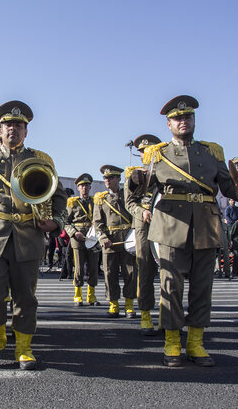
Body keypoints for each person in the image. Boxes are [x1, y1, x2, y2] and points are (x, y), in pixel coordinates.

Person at [131, 95, 238, 367]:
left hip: (206, 225)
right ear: (168, 124)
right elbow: (143, 189)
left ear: (194, 120)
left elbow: (229, 188)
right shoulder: (157, 153)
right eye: (177, 118)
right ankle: (172, 341)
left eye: (187, 117)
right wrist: (135, 180)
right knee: (171, 287)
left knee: (202, 287)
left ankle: (196, 343)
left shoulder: (213, 152)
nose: (183, 121)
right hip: (170, 225)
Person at [0, 100, 67, 370]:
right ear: (0, 129)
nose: (13, 130)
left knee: (25, 296)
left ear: (26, 131)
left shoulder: (41, 160)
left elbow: (59, 197)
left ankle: (24, 346)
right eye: (8, 125)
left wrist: (56, 221)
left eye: (19, 125)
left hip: (28, 236)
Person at [124, 134, 161, 335]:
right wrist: (142, 211)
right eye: (141, 151)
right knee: (145, 270)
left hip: (165, 224)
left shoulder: (166, 170)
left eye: (148, 150)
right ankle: (146, 314)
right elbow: (130, 203)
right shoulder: (134, 174)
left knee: (168, 272)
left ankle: (167, 315)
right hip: (143, 226)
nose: (144, 154)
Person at [93, 165, 136, 318]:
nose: (107, 180)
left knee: (130, 272)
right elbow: (97, 223)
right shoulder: (100, 199)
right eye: (105, 178)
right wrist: (103, 238)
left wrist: (134, 236)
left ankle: (129, 305)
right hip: (110, 240)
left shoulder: (128, 195)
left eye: (111, 177)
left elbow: (135, 216)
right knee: (109, 273)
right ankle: (114, 304)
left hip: (127, 239)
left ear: (118, 179)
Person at [65, 173, 101, 306]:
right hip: (78, 239)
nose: (84, 188)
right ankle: (77, 295)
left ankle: (91, 296)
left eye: (86, 185)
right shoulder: (72, 203)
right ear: (78, 188)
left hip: (93, 237)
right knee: (79, 268)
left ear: (90, 187)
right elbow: (66, 222)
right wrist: (74, 233)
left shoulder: (95, 202)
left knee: (93, 267)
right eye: (82, 186)